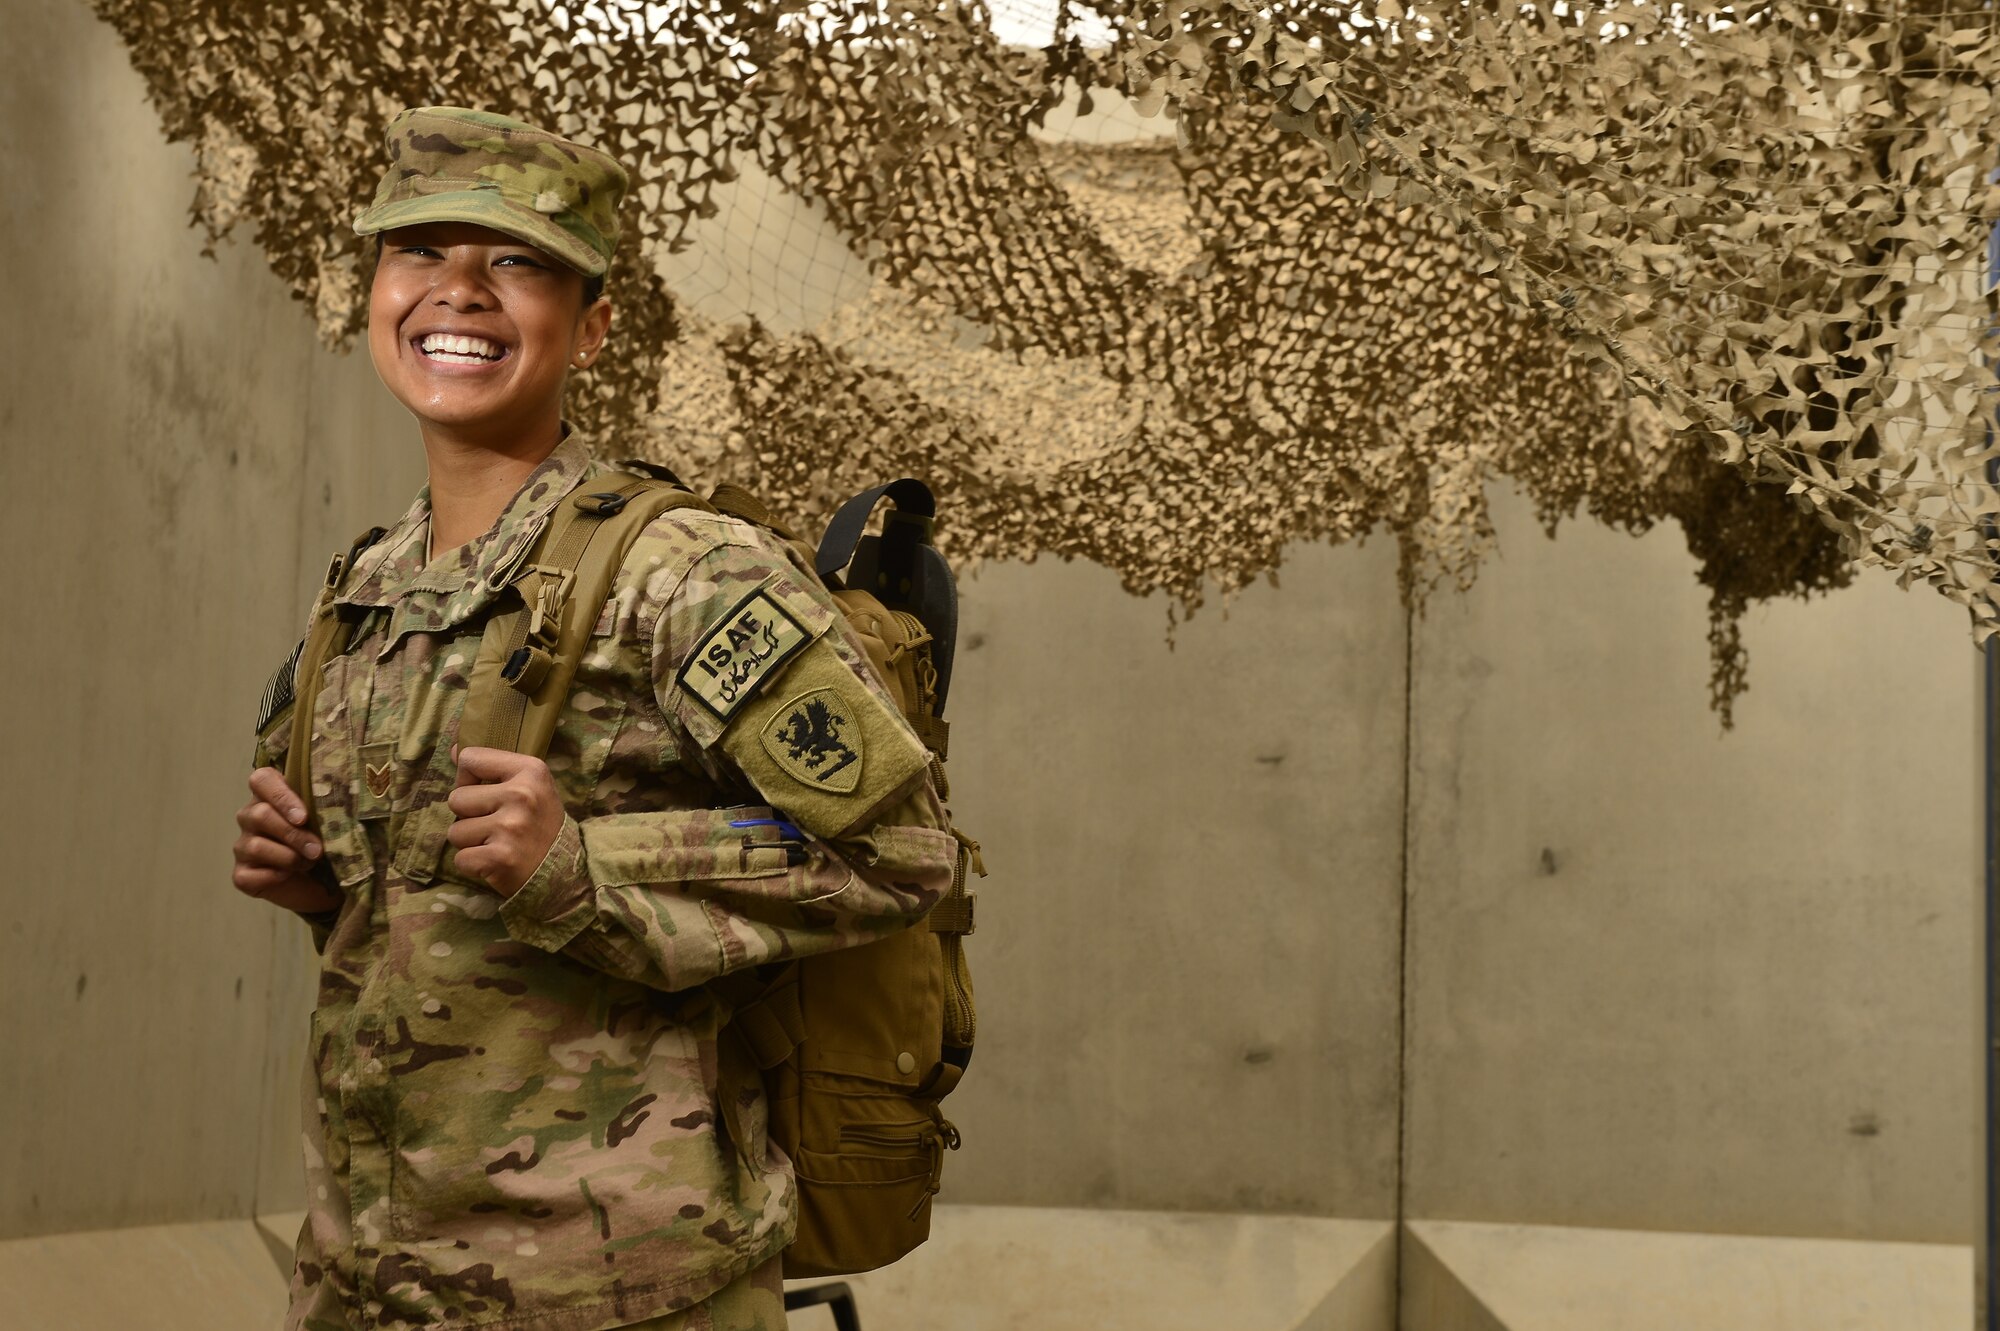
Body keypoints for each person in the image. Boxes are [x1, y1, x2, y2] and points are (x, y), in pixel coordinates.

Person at [230, 106, 956, 1331]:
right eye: (419, 254)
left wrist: (582, 869)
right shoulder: (364, 584)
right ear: (371, 292)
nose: (456, 294)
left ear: (594, 324)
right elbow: (429, 927)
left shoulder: (685, 569)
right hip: (371, 1280)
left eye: (513, 263)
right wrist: (325, 883)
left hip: (623, 1289)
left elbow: (900, 853)